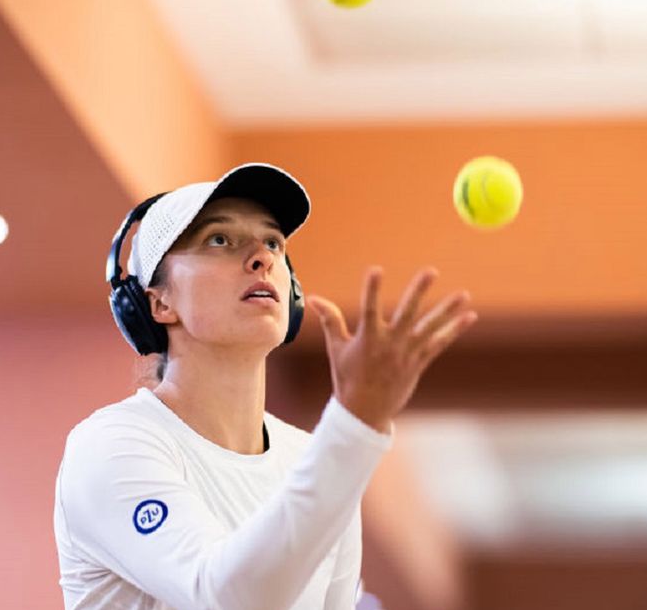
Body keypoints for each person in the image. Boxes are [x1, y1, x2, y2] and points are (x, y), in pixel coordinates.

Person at [53, 163, 477, 609]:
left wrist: (350, 434)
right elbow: (226, 596)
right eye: (219, 240)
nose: (263, 257)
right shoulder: (112, 444)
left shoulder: (311, 458)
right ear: (158, 302)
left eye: (273, 242)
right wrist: (354, 425)